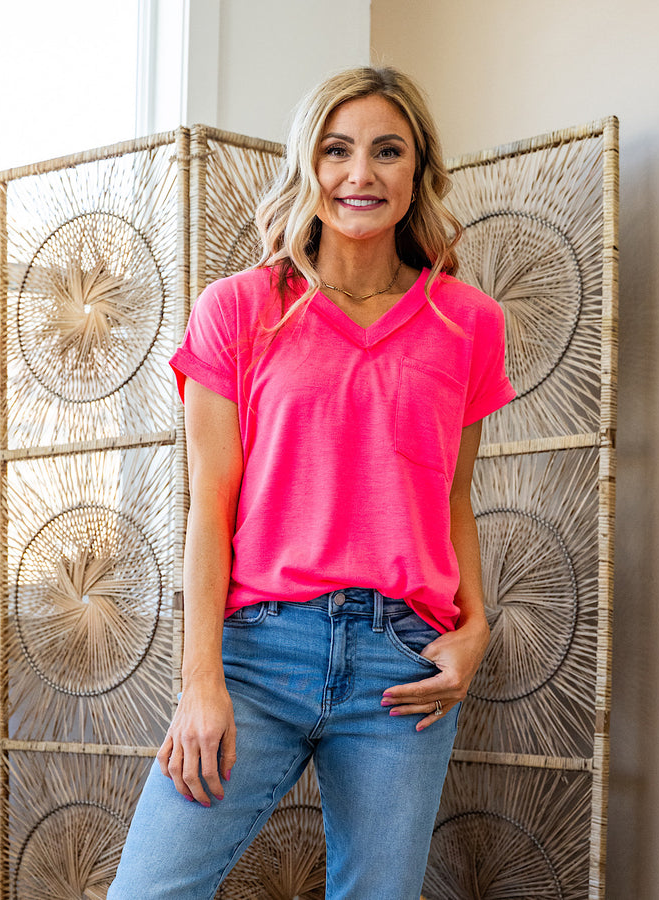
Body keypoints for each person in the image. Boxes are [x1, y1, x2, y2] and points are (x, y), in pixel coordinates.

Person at [108, 65, 515, 899]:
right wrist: (200, 683)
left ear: (418, 170)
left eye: (387, 151)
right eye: (336, 150)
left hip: (404, 665)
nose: (360, 173)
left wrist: (476, 628)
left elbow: (452, 498)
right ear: (308, 164)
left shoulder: (468, 322)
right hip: (258, 654)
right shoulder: (239, 308)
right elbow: (210, 507)